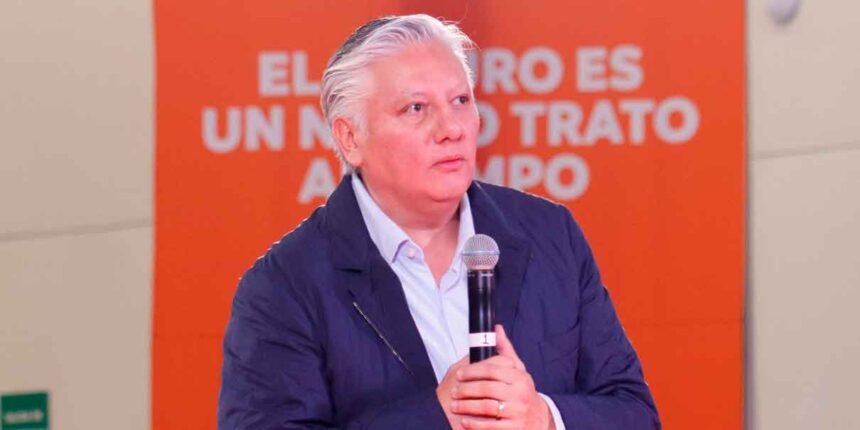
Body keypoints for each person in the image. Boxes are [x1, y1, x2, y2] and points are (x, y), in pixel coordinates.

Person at [218, 14, 659, 430]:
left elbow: (634, 412)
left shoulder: (549, 234)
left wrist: (543, 417)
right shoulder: (285, 286)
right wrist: (436, 416)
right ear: (350, 137)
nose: (452, 128)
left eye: (461, 100)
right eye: (416, 108)